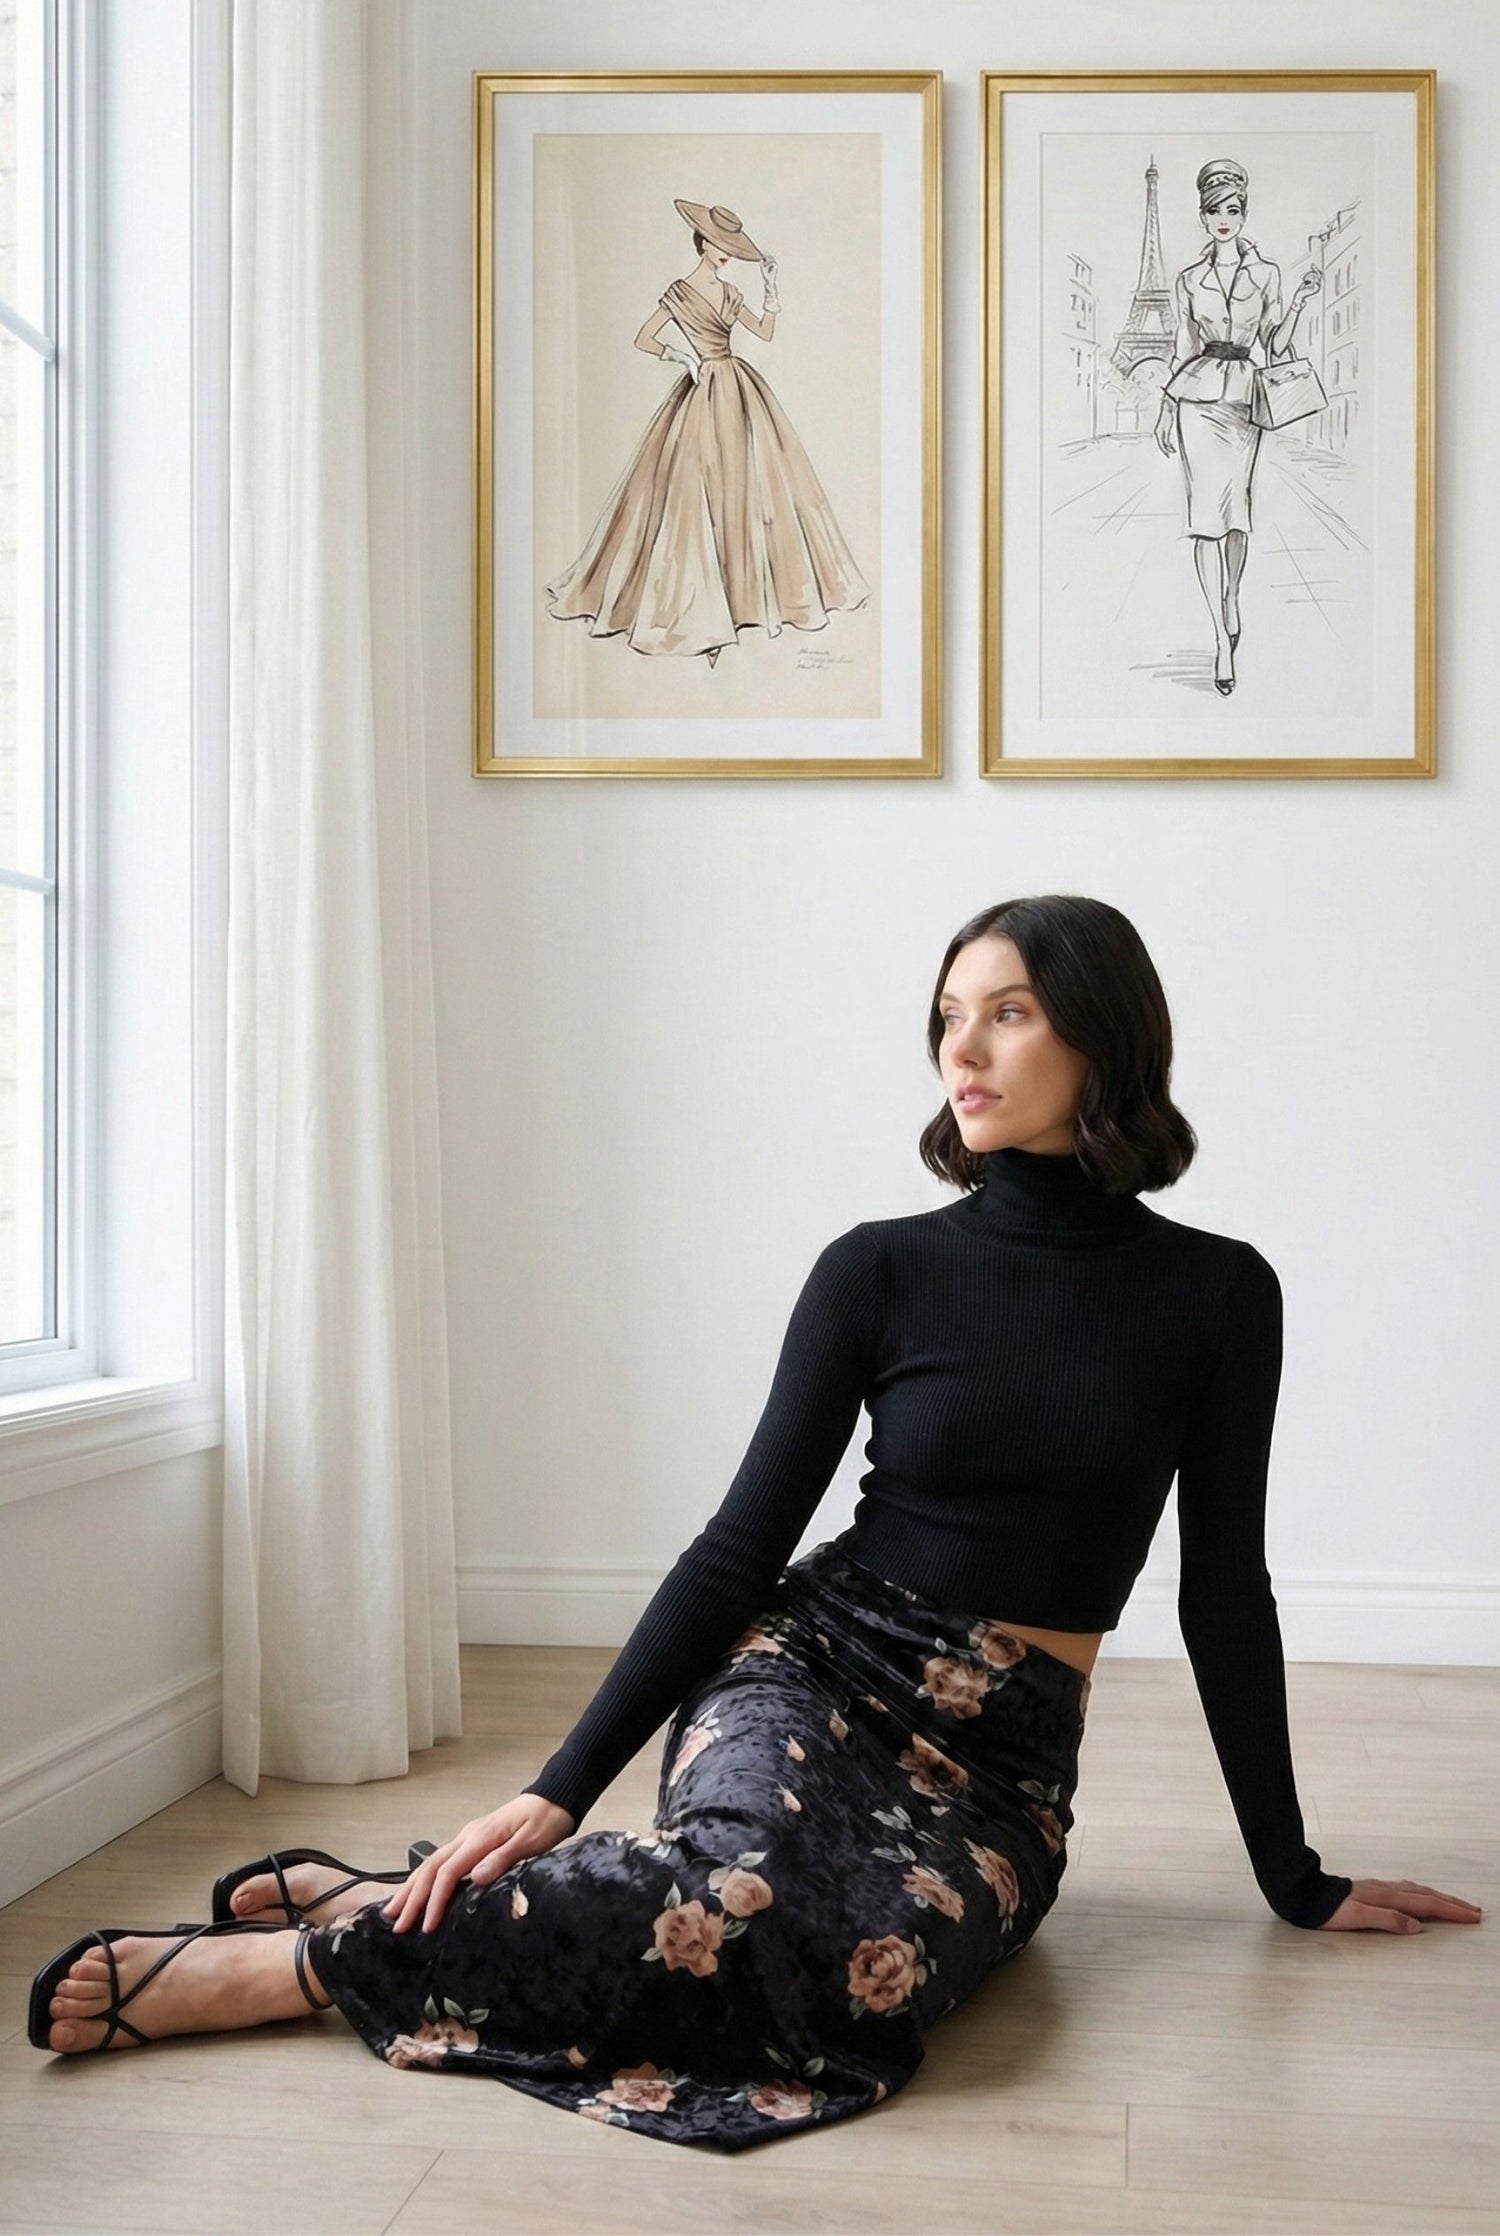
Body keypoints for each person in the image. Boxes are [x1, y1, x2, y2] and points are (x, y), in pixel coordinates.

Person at [30, 894, 1482, 2153]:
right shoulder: (879, 1270)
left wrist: (1296, 1879)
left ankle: (411, 1899)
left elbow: (1226, 1589)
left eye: (1010, 1014)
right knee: (726, 1906)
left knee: (869, 1980)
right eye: (945, 1018)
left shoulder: (1220, 1293)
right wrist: (559, 1786)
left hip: (1004, 1760)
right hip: (815, 1668)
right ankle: (296, 1966)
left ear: (1105, 1035)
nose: (960, 1052)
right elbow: (736, 1547)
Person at [544, 196, 870, 667]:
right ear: (702, 243)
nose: (725, 254)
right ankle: (698, 614)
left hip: (738, 392)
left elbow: (765, 332)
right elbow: (643, 337)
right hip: (702, 392)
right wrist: (681, 357)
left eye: (731, 248)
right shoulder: (679, 291)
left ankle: (740, 606)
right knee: (692, 493)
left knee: (748, 491)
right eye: (719, 245)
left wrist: (770, 286)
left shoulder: (731, 294)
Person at [1154, 158, 1322, 697]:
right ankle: (1220, 640)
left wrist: (1297, 301)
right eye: (1213, 210)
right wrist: (1164, 406)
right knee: (1205, 514)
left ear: (1243, 214)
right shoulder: (1187, 280)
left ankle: (1231, 595)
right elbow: (1181, 347)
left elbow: (1274, 345)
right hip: (1196, 401)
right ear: (1202, 218)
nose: (1223, 218)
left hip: (1244, 400)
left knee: (1236, 514)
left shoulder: (1267, 274)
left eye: (1232, 209)